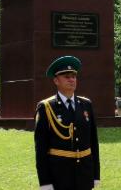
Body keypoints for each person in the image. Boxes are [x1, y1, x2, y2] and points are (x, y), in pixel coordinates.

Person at [34, 55, 100, 190]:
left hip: (84, 173)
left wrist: (95, 174)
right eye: (66, 76)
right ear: (56, 80)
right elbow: (41, 149)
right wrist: (45, 182)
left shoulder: (86, 104)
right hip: (60, 175)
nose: (71, 80)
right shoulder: (46, 107)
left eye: (74, 76)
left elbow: (93, 142)